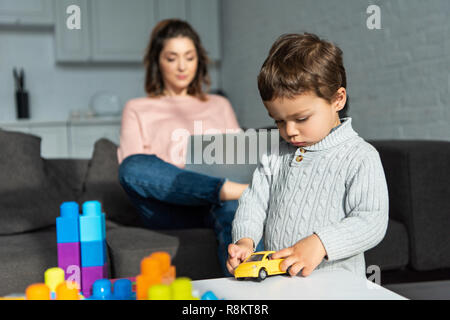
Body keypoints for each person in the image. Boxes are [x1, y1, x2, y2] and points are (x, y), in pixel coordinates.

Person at [227, 33, 389, 279]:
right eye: (279, 121)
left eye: (301, 119)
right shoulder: (275, 155)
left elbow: (372, 220)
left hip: (338, 287)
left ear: (337, 99)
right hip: (280, 282)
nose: (289, 131)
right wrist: (245, 240)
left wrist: (320, 243)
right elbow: (254, 201)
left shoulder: (360, 156)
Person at [117, 19, 260, 276]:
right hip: (170, 206)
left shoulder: (219, 104)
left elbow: (240, 157)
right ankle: (230, 190)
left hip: (221, 202)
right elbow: (135, 172)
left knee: (231, 208)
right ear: (157, 62)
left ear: (199, 61)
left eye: (189, 57)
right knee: (132, 165)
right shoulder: (137, 108)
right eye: (171, 58)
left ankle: (246, 293)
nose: (182, 66)